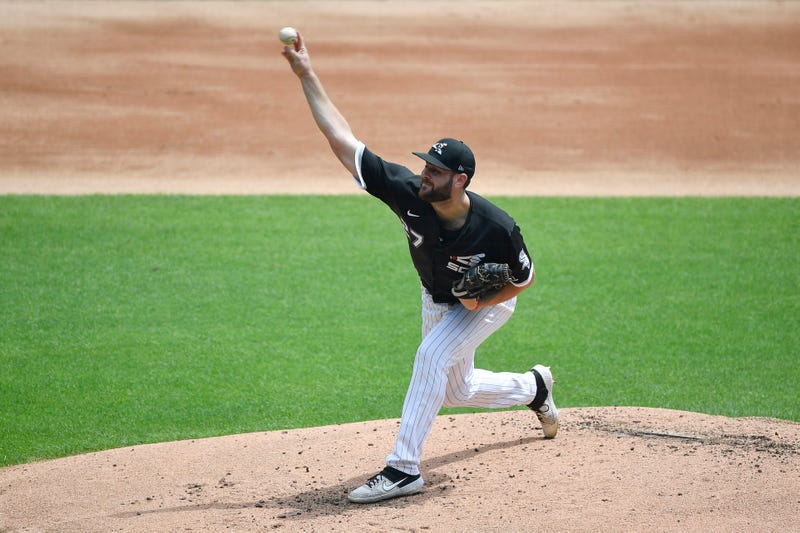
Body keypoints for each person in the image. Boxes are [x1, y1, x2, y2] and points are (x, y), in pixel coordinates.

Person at [281, 32, 559, 504]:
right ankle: (534, 387)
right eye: (425, 166)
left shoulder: (497, 227)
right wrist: (307, 74)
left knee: (430, 358)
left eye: (434, 170)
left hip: (485, 305)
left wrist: (482, 299)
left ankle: (402, 469)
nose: (424, 173)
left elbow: (525, 278)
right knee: (457, 389)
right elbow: (341, 140)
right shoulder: (409, 194)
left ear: (460, 180)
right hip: (437, 298)